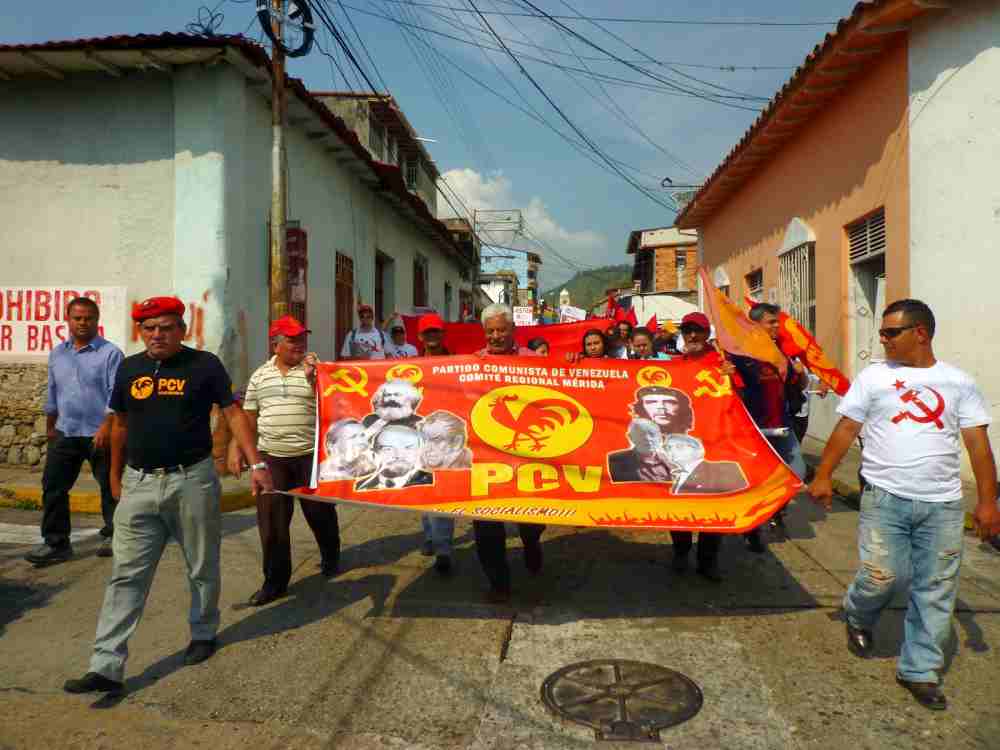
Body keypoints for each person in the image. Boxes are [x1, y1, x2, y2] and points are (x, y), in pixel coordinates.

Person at [64, 296, 272, 695]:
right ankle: (106, 664)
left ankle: (203, 632)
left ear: (182, 330)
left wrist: (257, 463)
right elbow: (120, 425)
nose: (157, 335)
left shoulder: (204, 365)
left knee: (200, 564)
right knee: (126, 574)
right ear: (140, 331)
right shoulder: (129, 368)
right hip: (138, 484)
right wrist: (114, 477)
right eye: (149, 328)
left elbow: (232, 414)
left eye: (166, 327)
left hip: (191, 481)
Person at [808, 299, 1000, 711]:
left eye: (890, 332)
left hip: (943, 505)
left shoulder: (959, 383)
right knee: (881, 576)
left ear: (921, 333)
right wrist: (823, 474)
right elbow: (846, 427)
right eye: (881, 331)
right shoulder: (874, 377)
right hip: (884, 497)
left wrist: (988, 502)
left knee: (936, 589)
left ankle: (920, 671)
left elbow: (978, 445)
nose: (882, 339)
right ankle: (858, 613)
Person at [231, 315, 342, 607]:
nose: (299, 344)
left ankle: (331, 556)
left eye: (302, 338)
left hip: (310, 456)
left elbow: (336, 400)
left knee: (320, 514)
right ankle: (275, 582)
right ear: (275, 344)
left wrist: (315, 375)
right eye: (292, 339)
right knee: (272, 522)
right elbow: (249, 416)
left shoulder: (315, 370)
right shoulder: (259, 376)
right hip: (271, 459)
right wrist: (237, 447)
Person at [26, 297, 124, 566]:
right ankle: (56, 543)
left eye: (89, 318)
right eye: (78, 318)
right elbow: (53, 391)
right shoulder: (58, 353)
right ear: (68, 320)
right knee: (53, 487)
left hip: (99, 433)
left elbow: (116, 395)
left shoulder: (110, 354)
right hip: (66, 431)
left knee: (109, 486)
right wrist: (50, 425)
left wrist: (106, 426)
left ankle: (115, 535)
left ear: (97, 320)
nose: (83, 323)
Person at [474, 304, 544, 602]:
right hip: (485, 457)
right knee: (486, 526)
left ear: (513, 330)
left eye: (501, 330)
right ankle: (498, 583)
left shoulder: (533, 360)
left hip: (527, 456)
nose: (496, 336)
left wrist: (571, 362)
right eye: (490, 331)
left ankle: (531, 542)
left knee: (531, 520)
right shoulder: (473, 363)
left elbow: (563, 379)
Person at [730, 303, 807, 552]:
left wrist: (801, 373)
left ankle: (774, 511)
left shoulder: (783, 352)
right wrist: (726, 372)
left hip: (782, 426)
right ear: (755, 325)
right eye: (771, 322)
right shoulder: (741, 354)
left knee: (796, 472)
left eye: (777, 322)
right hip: (754, 429)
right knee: (754, 481)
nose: (777, 326)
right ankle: (751, 527)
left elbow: (797, 384)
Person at [669, 312, 740, 582]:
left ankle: (707, 561)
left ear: (706, 332)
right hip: (682, 447)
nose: (692, 336)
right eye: (687, 331)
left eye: (697, 330)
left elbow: (740, 401)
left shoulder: (722, 363)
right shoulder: (676, 365)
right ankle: (680, 551)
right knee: (679, 504)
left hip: (715, 446)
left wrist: (731, 379)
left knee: (712, 507)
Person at [415, 313, 457, 573]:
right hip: (418, 436)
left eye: (436, 332)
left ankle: (443, 548)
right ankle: (430, 535)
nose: (432, 337)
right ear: (420, 337)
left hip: (447, 436)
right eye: (427, 333)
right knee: (423, 489)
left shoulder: (457, 363)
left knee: (443, 492)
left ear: (443, 335)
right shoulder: (411, 365)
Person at [355, 425, 433, 490]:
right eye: (388, 449)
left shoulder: (433, 484)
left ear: (419, 451)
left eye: (408, 448)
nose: (399, 455)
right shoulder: (360, 487)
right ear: (374, 452)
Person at [666, 434, 747, 495]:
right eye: (668, 447)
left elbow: (739, 499)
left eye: (679, 446)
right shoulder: (677, 476)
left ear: (698, 450)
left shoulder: (725, 469)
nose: (671, 450)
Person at [607, 418, 674, 483]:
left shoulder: (671, 460)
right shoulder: (615, 460)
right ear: (630, 437)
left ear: (659, 437)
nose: (647, 439)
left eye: (652, 434)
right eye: (641, 435)